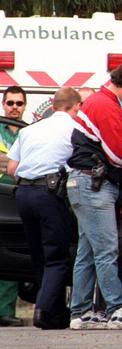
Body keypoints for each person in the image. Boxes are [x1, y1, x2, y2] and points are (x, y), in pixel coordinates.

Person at [66, 61, 122, 330]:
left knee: (88, 251)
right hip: (94, 184)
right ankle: (116, 308)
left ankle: (80, 312)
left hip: (85, 182)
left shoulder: (100, 102)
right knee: (106, 249)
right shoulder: (106, 105)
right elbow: (119, 153)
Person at [6, 87, 82, 329]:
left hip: (23, 195)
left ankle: (54, 311)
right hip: (50, 195)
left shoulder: (29, 130)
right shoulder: (74, 129)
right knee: (57, 256)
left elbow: (11, 169)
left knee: (38, 254)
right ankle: (44, 310)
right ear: (75, 107)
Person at [0, 86, 28, 327]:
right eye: (10, 103)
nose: (15, 108)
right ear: (3, 104)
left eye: (19, 103)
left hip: (17, 197)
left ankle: (5, 311)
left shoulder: (28, 132)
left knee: (11, 256)